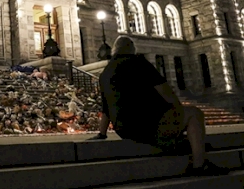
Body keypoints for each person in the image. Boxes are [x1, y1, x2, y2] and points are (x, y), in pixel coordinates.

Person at [88, 36, 227, 176]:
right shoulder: (139, 63)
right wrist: (177, 111)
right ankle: (199, 165)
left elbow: (105, 108)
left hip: (125, 130)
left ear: (114, 50)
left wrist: (102, 133)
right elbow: (166, 92)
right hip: (149, 125)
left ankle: (179, 143)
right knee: (194, 114)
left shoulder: (105, 73)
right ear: (132, 48)